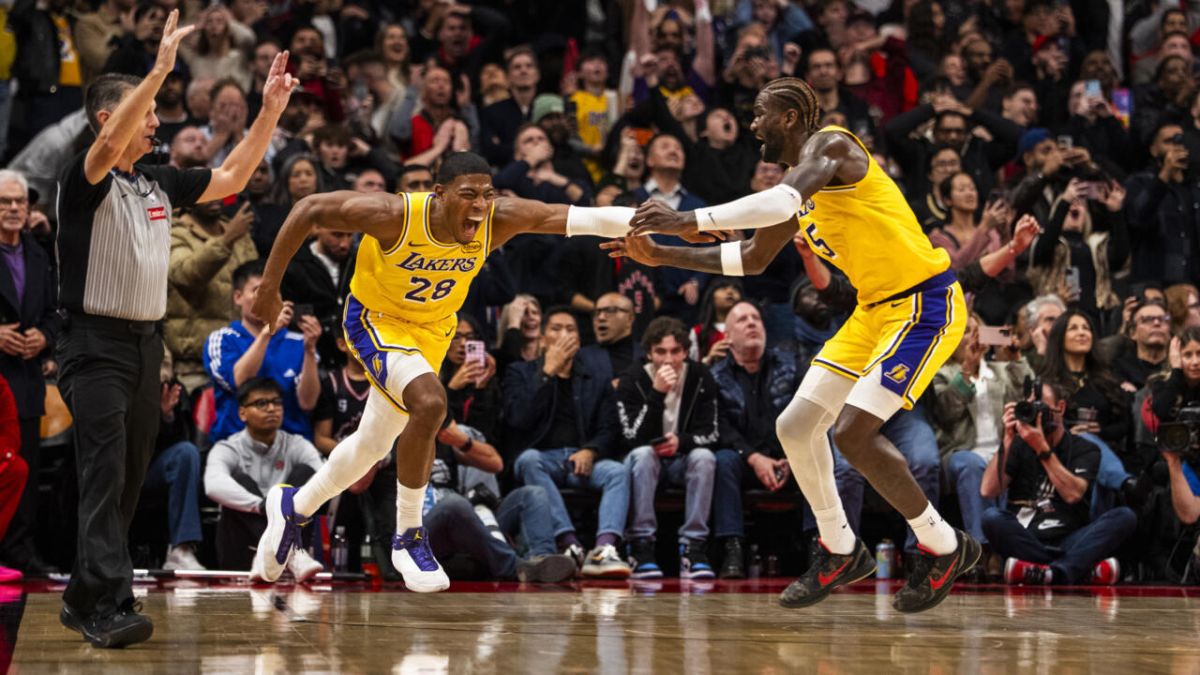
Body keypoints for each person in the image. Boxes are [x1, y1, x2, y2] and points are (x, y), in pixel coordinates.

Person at [607, 76, 976, 613]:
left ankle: (942, 544)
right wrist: (662, 254)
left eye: (760, 113)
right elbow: (751, 259)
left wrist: (687, 220)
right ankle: (839, 548)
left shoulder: (833, 145)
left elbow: (778, 198)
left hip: (925, 305)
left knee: (852, 431)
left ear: (790, 116)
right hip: (874, 311)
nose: (753, 124)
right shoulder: (795, 192)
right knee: (796, 426)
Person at [246, 151, 647, 591]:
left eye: (487, 194)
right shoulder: (395, 216)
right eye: (468, 194)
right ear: (438, 195)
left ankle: (293, 508)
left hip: (432, 332)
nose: (480, 205)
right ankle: (409, 536)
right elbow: (309, 209)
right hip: (375, 322)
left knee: (371, 445)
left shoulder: (496, 220)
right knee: (431, 402)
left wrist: (684, 224)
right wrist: (269, 287)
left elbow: (583, 217)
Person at [55, 14, 294, 648]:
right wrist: (159, 68)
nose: (157, 122)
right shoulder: (84, 178)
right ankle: (107, 600)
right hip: (93, 343)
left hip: (143, 344)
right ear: (110, 119)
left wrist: (268, 111)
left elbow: (233, 177)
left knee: (131, 474)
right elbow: (104, 153)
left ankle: (84, 596)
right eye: (149, 111)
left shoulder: (156, 182)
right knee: (104, 471)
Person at [505, 308, 631, 579]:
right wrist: (547, 371)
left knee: (618, 472)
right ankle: (569, 543)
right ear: (542, 338)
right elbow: (517, 420)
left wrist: (592, 449)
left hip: (580, 461)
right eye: (556, 329)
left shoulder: (595, 379)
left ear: (579, 339)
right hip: (542, 460)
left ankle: (603, 549)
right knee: (528, 460)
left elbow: (610, 428)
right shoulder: (521, 372)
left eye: (570, 329)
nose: (564, 335)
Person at [980, 380, 1136, 585]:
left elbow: (1073, 494)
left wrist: (1042, 449)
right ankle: (1074, 569)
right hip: (1027, 537)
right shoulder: (1018, 444)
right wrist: (1006, 441)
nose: (1036, 414)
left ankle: (1046, 572)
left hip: (1070, 538)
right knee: (991, 517)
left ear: (1060, 408)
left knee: (1125, 517)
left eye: (1041, 407)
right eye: (1030, 407)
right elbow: (988, 490)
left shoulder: (1085, 448)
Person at [616, 317, 719, 579]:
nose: (668, 360)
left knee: (705, 457)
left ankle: (693, 546)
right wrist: (657, 393)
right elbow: (631, 438)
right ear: (649, 353)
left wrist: (681, 442)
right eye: (660, 352)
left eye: (675, 351)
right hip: (645, 461)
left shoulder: (700, 375)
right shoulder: (632, 378)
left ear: (685, 352)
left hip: (683, 459)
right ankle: (640, 545)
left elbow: (712, 432)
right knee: (643, 454)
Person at [203, 377, 323, 576]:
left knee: (306, 473)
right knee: (240, 481)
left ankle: (278, 552)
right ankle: (291, 552)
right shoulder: (228, 447)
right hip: (241, 547)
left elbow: (323, 479)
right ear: (242, 413)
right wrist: (263, 506)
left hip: (292, 526)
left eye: (276, 403)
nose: (271, 409)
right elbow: (212, 485)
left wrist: (281, 508)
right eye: (261, 403)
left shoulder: (296, 444)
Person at [0, 170, 58, 577]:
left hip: (27, 377)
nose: (15, 208)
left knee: (27, 468)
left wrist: (45, 336)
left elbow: (59, 311)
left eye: (21, 201)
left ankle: (19, 551)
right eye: (5, 202)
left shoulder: (39, 252)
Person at [204, 260, 321, 442]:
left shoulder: (299, 342)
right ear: (238, 297)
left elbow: (308, 403)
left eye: (274, 292)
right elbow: (240, 382)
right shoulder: (222, 339)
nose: (267, 298)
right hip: (235, 444)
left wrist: (310, 350)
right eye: (258, 291)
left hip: (291, 445)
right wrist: (267, 333)